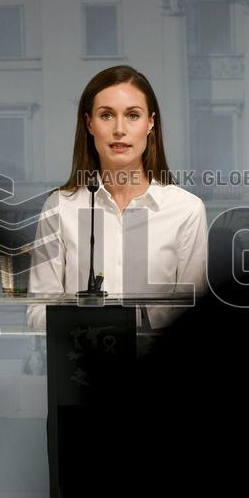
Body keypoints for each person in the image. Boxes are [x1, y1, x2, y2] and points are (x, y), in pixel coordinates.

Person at [27, 65, 208, 331]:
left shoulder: (186, 210)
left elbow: (193, 316)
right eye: (107, 115)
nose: (119, 129)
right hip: (82, 368)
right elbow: (37, 313)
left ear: (150, 123)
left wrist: (126, 325)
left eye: (133, 115)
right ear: (89, 124)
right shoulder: (60, 207)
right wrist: (93, 326)